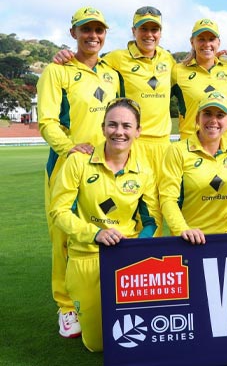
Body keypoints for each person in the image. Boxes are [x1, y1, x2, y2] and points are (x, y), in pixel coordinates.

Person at [49, 98, 160, 351]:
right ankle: (77, 310)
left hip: (127, 258)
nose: (119, 132)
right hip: (86, 256)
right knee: (98, 344)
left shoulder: (144, 171)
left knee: (140, 338)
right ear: (103, 128)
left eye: (126, 126)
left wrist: (135, 251)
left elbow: (152, 220)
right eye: (112, 125)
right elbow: (59, 211)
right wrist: (95, 233)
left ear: (138, 131)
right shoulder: (77, 162)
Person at [37, 6, 120, 338]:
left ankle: (102, 294)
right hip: (68, 163)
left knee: (103, 227)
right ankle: (66, 307)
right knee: (64, 235)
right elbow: (47, 119)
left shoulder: (112, 73)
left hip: (106, 164)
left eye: (99, 30)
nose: (93, 36)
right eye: (86, 30)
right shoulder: (57, 71)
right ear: (74, 33)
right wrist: (69, 148)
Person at [54, 6, 176, 177]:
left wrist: (217, 57)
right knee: (132, 198)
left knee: (166, 198)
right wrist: (66, 56)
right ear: (134, 31)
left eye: (154, 29)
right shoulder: (116, 58)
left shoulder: (167, 59)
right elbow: (89, 61)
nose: (149, 34)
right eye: (143, 29)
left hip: (164, 144)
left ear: (160, 33)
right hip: (133, 142)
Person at [159, 91, 227, 240]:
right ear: (197, 119)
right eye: (207, 114)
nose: (213, 120)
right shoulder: (177, 151)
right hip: (191, 240)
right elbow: (168, 199)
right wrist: (183, 230)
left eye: (220, 115)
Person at [171, 18, 227, 142]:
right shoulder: (177, 71)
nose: (207, 44)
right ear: (192, 42)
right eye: (201, 39)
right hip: (190, 146)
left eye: (211, 39)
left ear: (218, 42)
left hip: (225, 146)